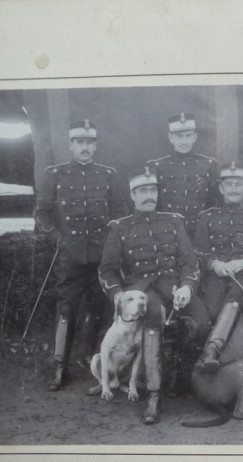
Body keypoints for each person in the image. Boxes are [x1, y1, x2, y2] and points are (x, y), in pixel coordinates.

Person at [98, 167, 210, 424]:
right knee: (151, 324)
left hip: (174, 287)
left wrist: (186, 287)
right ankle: (154, 394)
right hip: (143, 290)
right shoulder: (120, 228)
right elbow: (107, 270)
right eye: (143, 191)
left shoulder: (174, 221)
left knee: (202, 322)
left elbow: (190, 262)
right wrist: (118, 296)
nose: (149, 196)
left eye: (153, 190)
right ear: (132, 195)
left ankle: (183, 380)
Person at [34, 119, 127, 391]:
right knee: (67, 307)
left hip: (100, 254)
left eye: (89, 143)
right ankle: (59, 364)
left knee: (97, 305)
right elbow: (42, 213)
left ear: (95, 145)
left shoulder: (108, 174)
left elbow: (119, 212)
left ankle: (88, 355)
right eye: (79, 142)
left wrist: (111, 243)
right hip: (70, 255)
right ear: (71, 145)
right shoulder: (55, 174)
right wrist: (59, 239)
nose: (85, 147)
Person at [192, 162, 243, 373]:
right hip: (215, 274)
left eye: (239, 184)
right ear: (221, 188)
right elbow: (198, 251)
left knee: (236, 296)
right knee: (212, 308)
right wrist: (214, 263)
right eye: (229, 185)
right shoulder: (207, 216)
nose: (234, 189)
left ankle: (213, 352)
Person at [147, 112, 219, 237]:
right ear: (171, 138)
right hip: (167, 233)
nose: (184, 141)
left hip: (201, 233)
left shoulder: (209, 165)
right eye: (179, 136)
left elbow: (214, 204)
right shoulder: (157, 166)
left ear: (194, 137)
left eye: (188, 136)